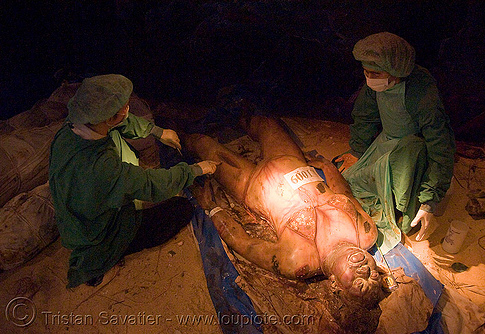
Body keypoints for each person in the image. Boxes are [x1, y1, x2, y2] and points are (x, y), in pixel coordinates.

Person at [186, 116, 385, 303]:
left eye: (358, 283)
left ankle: (177, 134)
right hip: (292, 161)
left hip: (252, 185)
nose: (364, 270)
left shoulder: (299, 262)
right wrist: (328, 168)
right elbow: (347, 197)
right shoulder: (366, 232)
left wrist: (211, 207)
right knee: (265, 123)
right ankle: (235, 112)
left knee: (202, 145)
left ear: (336, 285)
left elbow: (244, 243)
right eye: (373, 274)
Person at [49, 74, 219, 288]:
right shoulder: (100, 167)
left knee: (120, 145)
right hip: (97, 230)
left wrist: (157, 132)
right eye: (124, 107)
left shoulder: (74, 127)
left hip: (79, 209)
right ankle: (106, 254)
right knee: (181, 209)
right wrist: (194, 170)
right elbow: (150, 184)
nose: (128, 109)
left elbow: (120, 123)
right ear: (109, 118)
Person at [335, 32, 455, 252]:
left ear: (397, 71)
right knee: (349, 182)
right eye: (366, 72)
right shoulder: (375, 84)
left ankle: (407, 202)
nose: (370, 78)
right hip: (386, 141)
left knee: (406, 213)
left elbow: (440, 145)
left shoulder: (421, 92)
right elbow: (365, 115)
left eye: (376, 73)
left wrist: (430, 200)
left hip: (414, 150)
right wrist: (358, 150)